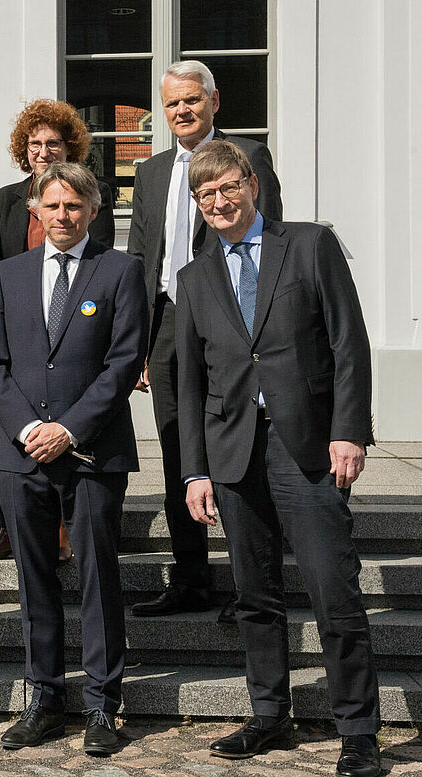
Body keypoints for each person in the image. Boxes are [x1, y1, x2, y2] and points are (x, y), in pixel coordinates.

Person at [176, 139, 380, 777]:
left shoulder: (310, 245)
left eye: (227, 187)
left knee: (332, 594)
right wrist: (194, 469)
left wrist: (349, 431)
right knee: (254, 596)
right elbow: (190, 383)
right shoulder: (193, 277)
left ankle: (358, 733)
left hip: (309, 448)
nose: (218, 201)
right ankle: (270, 715)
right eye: (205, 195)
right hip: (234, 452)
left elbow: (350, 344)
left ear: (251, 185)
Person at [0, 162, 147, 755]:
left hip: (93, 452)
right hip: (21, 455)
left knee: (99, 576)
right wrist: (29, 428)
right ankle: (44, 696)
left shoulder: (122, 270)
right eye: (52, 206)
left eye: (74, 206)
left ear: (94, 211)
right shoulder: (9, 273)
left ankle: (104, 705)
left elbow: (123, 363)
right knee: (34, 579)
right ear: (35, 211)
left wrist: (68, 430)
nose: (63, 215)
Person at [126, 60, 283, 624]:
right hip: (168, 322)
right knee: (178, 450)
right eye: (171, 104)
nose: (182, 111)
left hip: (230, 322)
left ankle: (254, 586)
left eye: (192, 100)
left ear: (215, 102)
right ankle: (190, 579)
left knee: (242, 448)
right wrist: (139, 341)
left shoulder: (248, 159)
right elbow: (144, 259)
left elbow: (270, 248)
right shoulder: (149, 172)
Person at [0, 98, 117, 564]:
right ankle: (13, 529)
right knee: (11, 437)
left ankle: (67, 529)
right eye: (34, 144)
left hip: (75, 329)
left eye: (52, 143)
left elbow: (100, 261)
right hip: (21, 335)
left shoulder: (89, 197)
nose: (42, 152)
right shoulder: (6, 199)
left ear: (69, 147)